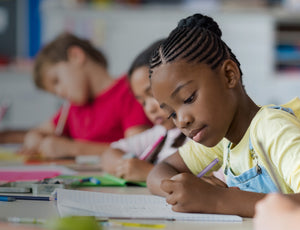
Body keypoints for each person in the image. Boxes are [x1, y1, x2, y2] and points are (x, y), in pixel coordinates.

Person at [147, 13, 300, 217]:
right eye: (172, 114)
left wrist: (217, 199)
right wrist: (184, 190)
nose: (182, 121)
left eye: (189, 98)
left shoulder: (272, 128)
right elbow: (159, 171)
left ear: (229, 75)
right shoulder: (225, 140)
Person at [22, 33, 152, 159]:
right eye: (55, 92)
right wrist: (34, 137)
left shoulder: (129, 91)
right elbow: (39, 131)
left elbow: (138, 150)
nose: (60, 93)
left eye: (57, 81)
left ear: (75, 56)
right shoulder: (74, 106)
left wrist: (72, 149)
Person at [101, 39, 187, 182]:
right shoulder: (161, 133)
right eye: (142, 102)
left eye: (152, 95)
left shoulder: (197, 138)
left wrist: (149, 173)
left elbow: (198, 183)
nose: (150, 108)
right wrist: (128, 165)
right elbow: (108, 154)